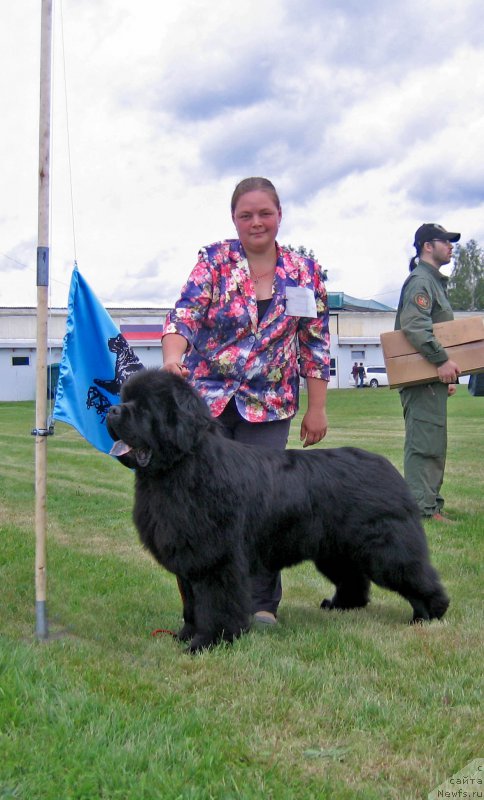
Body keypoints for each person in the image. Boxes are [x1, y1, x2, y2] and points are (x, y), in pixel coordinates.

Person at [161, 176, 331, 625]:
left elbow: (314, 344)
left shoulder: (304, 272)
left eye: (265, 213)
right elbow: (185, 314)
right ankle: (201, 604)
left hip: (269, 405)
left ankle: (260, 605)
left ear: (279, 215)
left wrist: (317, 408)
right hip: (207, 406)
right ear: (233, 219)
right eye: (245, 215)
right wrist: (173, 359)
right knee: (199, 506)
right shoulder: (214, 261)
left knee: (263, 508)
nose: (256, 222)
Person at [395, 223, 461, 522]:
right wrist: (441, 360)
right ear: (427, 246)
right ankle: (422, 508)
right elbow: (415, 325)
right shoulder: (421, 281)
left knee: (433, 440)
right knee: (424, 442)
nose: (451, 246)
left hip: (431, 378)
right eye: (445, 241)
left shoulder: (433, 282)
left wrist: (444, 373)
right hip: (421, 377)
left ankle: (430, 504)